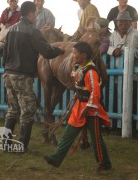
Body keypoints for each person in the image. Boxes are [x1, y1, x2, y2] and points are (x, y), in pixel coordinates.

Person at [2, 1, 64, 152]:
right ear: (30, 14)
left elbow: (3, 52)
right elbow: (47, 52)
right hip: (22, 75)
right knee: (28, 110)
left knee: (13, 109)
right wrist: (61, 50)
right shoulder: (32, 31)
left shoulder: (11, 30)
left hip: (8, 73)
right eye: (35, 13)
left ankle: (5, 144)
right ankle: (22, 147)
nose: (36, 16)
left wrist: (7, 67)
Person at [44, 42, 112, 171]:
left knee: (96, 139)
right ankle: (56, 158)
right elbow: (80, 87)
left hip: (92, 110)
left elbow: (95, 93)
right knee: (68, 133)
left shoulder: (91, 72)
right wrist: (77, 98)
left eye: (75, 53)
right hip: (79, 107)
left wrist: (87, 108)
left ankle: (105, 164)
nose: (72, 55)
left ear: (84, 55)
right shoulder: (78, 68)